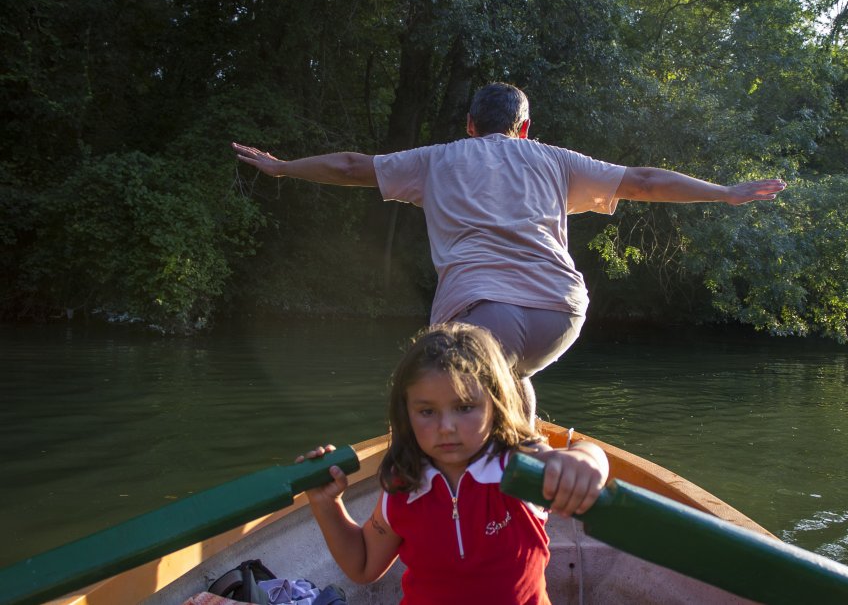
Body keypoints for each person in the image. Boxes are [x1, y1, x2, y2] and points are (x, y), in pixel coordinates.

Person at [234, 82, 787, 415]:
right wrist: (724, 193)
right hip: (561, 314)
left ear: (470, 125)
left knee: (436, 403)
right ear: (524, 128)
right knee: (512, 381)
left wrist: (283, 168)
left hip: (480, 316)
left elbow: (353, 166)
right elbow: (642, 179)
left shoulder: (440, 157)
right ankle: (529, 466)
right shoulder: (554, 159)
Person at [296, 322, 609, 605]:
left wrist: (584, 460)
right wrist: (327, 505)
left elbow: (587, 454)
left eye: (464, 407)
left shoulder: (519, 466)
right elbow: (363, 565)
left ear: (495, 404)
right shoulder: (403, 486)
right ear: (406, 413)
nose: (446, 427)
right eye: (427, 412)